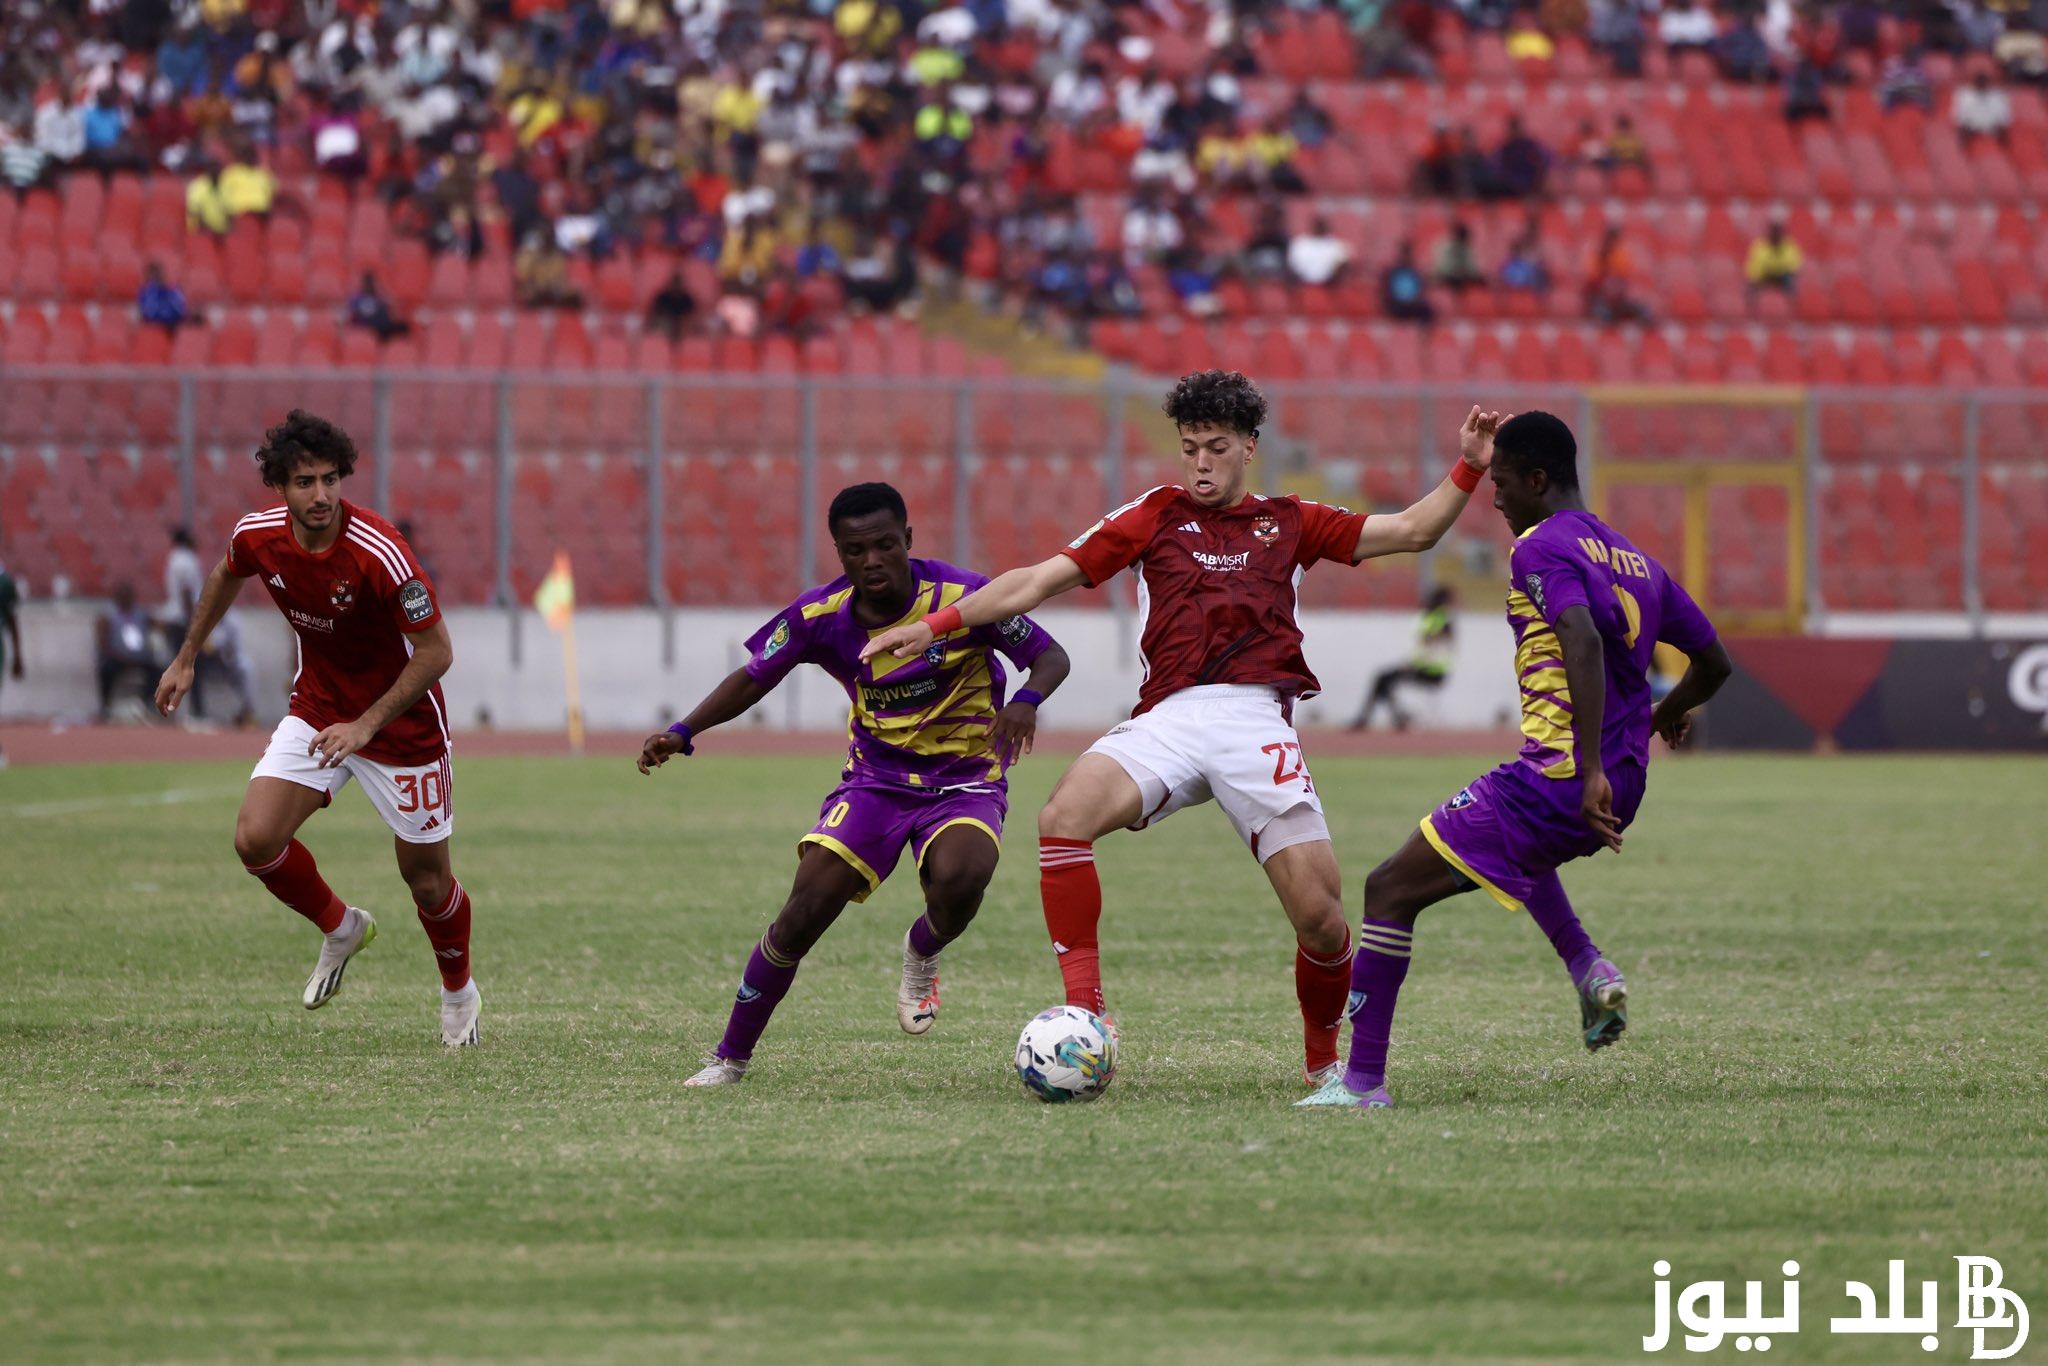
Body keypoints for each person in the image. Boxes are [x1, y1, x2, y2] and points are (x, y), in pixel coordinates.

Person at [861, 373, 1504, 1088]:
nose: (1200, 462)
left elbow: (1414, 530)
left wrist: (1470, 464)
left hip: (1253, 718)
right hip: (1168, 718)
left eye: (1216, 448)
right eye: (1190, 447)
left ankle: (1324, 1068)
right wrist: (933, 625)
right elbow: (1039, 579)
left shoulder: (1291, 520)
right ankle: (1089, 1018)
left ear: (1249, 448)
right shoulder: (1151, 516)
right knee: (1063, 817)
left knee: (1322, 922)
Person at [1298, 412, 1732, 1110]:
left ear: (1536, 480)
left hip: (1564, 778)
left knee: (1387, 889)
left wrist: (1586, 767)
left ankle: (1362, 1084)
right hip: (1624, 783)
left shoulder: (1539, 548)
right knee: (1516, 850)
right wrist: (1662, 715)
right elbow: (1714, 663)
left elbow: (1582, 641)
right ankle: (1589, 968)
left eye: (1500, 483)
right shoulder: (1636, 561)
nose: (1493, 499)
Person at [639, 483, 1071, 1086]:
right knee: (804, 910)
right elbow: (754, 677)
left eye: (886, 545)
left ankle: (923, 948)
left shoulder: (966, 596)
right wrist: (685, 730)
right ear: (839, 553)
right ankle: (729, 1058)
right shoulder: (821, 616)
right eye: (855, 551)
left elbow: (1051, 657)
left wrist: (1025, 701)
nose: (872, 562)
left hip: (966, 779)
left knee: (960, 881)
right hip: (876, 783)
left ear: (908, 541)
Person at [153, 411, 477, 1047]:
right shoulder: (260, 536)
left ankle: (459, 992)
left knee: (427, 881)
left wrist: (366, 725)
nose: (322, 495)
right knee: (255, 838)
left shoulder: (381, 553)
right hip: (320, 708)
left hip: (403, 725)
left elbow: (436, 651)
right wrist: (187, 654)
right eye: (305, 482)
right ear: (280, 487)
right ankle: (341, 927)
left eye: (331, 479)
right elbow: (224, 573)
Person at [1350, 586, 1456, 731]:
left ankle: (1378, 718)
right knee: (1383, 680)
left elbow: (1433, 647)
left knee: (1382, 679)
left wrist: (1412, 664)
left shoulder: (1441, 620)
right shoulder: (1434, 618)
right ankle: (1396, 717)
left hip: (1431, 671)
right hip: (1423, 667)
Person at [97, 582, 162, 720]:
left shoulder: (140, 613)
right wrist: (114, 653)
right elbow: (103, 642)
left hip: (140, 657)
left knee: (157, 670)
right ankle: (105, 706)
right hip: (118, 657)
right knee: (106, 669)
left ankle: (147, 704)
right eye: (123, 596)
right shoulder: (109, 616)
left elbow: (158, 625)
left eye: (128, 596)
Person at [346, 272, 412, 342]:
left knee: (403, 327)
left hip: (383, 328)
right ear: (363, 284)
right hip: (366, 327)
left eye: (372, 283)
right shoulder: (357, 298)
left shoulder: (379, 296)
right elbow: (351, 313)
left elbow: (392, 308)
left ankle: (400, 348)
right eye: (368, 283)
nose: (370, 285)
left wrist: (383, 294)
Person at [1382, 239, 1435, 323]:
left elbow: (1421, 290)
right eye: (1404, 254)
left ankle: (1422, 334)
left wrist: (1414, 300)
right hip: (1397, 305)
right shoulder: (1392, 272)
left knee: (1428, 310)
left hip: (1412, 304)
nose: (1406, 256)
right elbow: (1388, 293)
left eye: (1408, 254)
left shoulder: (1415, 272)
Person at [1745, 220, 1803, 296]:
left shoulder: (1789, 245)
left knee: (1792, 284)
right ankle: (1752, 307)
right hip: (1764, 275)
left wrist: (1778, 267)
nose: (1776, 235)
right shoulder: (1759, 245)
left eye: (1778, 233)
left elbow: (1795, 267)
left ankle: (1792, 306)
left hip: (1782, 276)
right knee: (1751, 287)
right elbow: (1754, 268)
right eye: (1773, 232)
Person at [137, 262, 193, 334]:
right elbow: (149, 313)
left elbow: (181, 310)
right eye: (153, 276)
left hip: (174, 328)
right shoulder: (146, 292)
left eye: (158, 274)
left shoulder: (173, 290)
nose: (156, 278)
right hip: (154, 330)